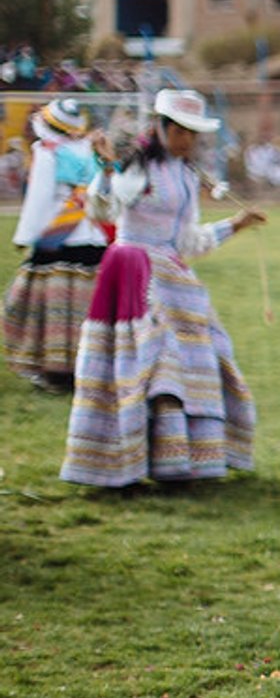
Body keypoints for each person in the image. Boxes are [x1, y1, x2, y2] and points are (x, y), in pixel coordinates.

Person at [60, 89, 267, 487]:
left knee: (199, 357)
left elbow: (187, 241)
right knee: (155, 359)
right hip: (136, 274)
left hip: (174, 277)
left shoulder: (188, 177)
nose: (187, 140)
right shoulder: (138, 169)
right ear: (162, 128)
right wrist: (104, 171)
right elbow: (103, 209)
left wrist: (234, 225)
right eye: (181, 131)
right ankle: (135, 458)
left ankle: (179, 458)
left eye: (193, 133)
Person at [5, 100, 113, 390]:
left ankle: (53, 368)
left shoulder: (47, 152)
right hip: (90, 235)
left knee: (50, 306)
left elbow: (39, 197)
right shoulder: (90, 150)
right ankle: (86, 367)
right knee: (84, 307)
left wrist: (25, 236)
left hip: (58, 234)